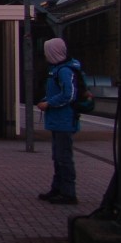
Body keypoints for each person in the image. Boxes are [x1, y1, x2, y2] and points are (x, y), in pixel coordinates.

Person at [36, 37, 82, 205]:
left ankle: (68, 192)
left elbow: (68, 95)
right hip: (57, 120)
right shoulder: (56, 69)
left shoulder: (64, 70)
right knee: (58, 156)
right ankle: (58, 188)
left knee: (64, 157)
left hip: (64, 120)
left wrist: (49, 103)